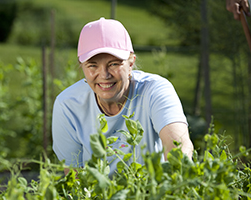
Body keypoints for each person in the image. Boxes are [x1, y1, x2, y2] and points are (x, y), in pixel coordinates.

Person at [52, 17, 194, 176]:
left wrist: (179, 184)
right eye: (93, 65)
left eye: (114, 64)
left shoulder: (155, 90)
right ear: (82, 67)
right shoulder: (67, 105)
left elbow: (178, 146)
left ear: (131, 62)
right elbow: (74, 176)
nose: (104, 75)